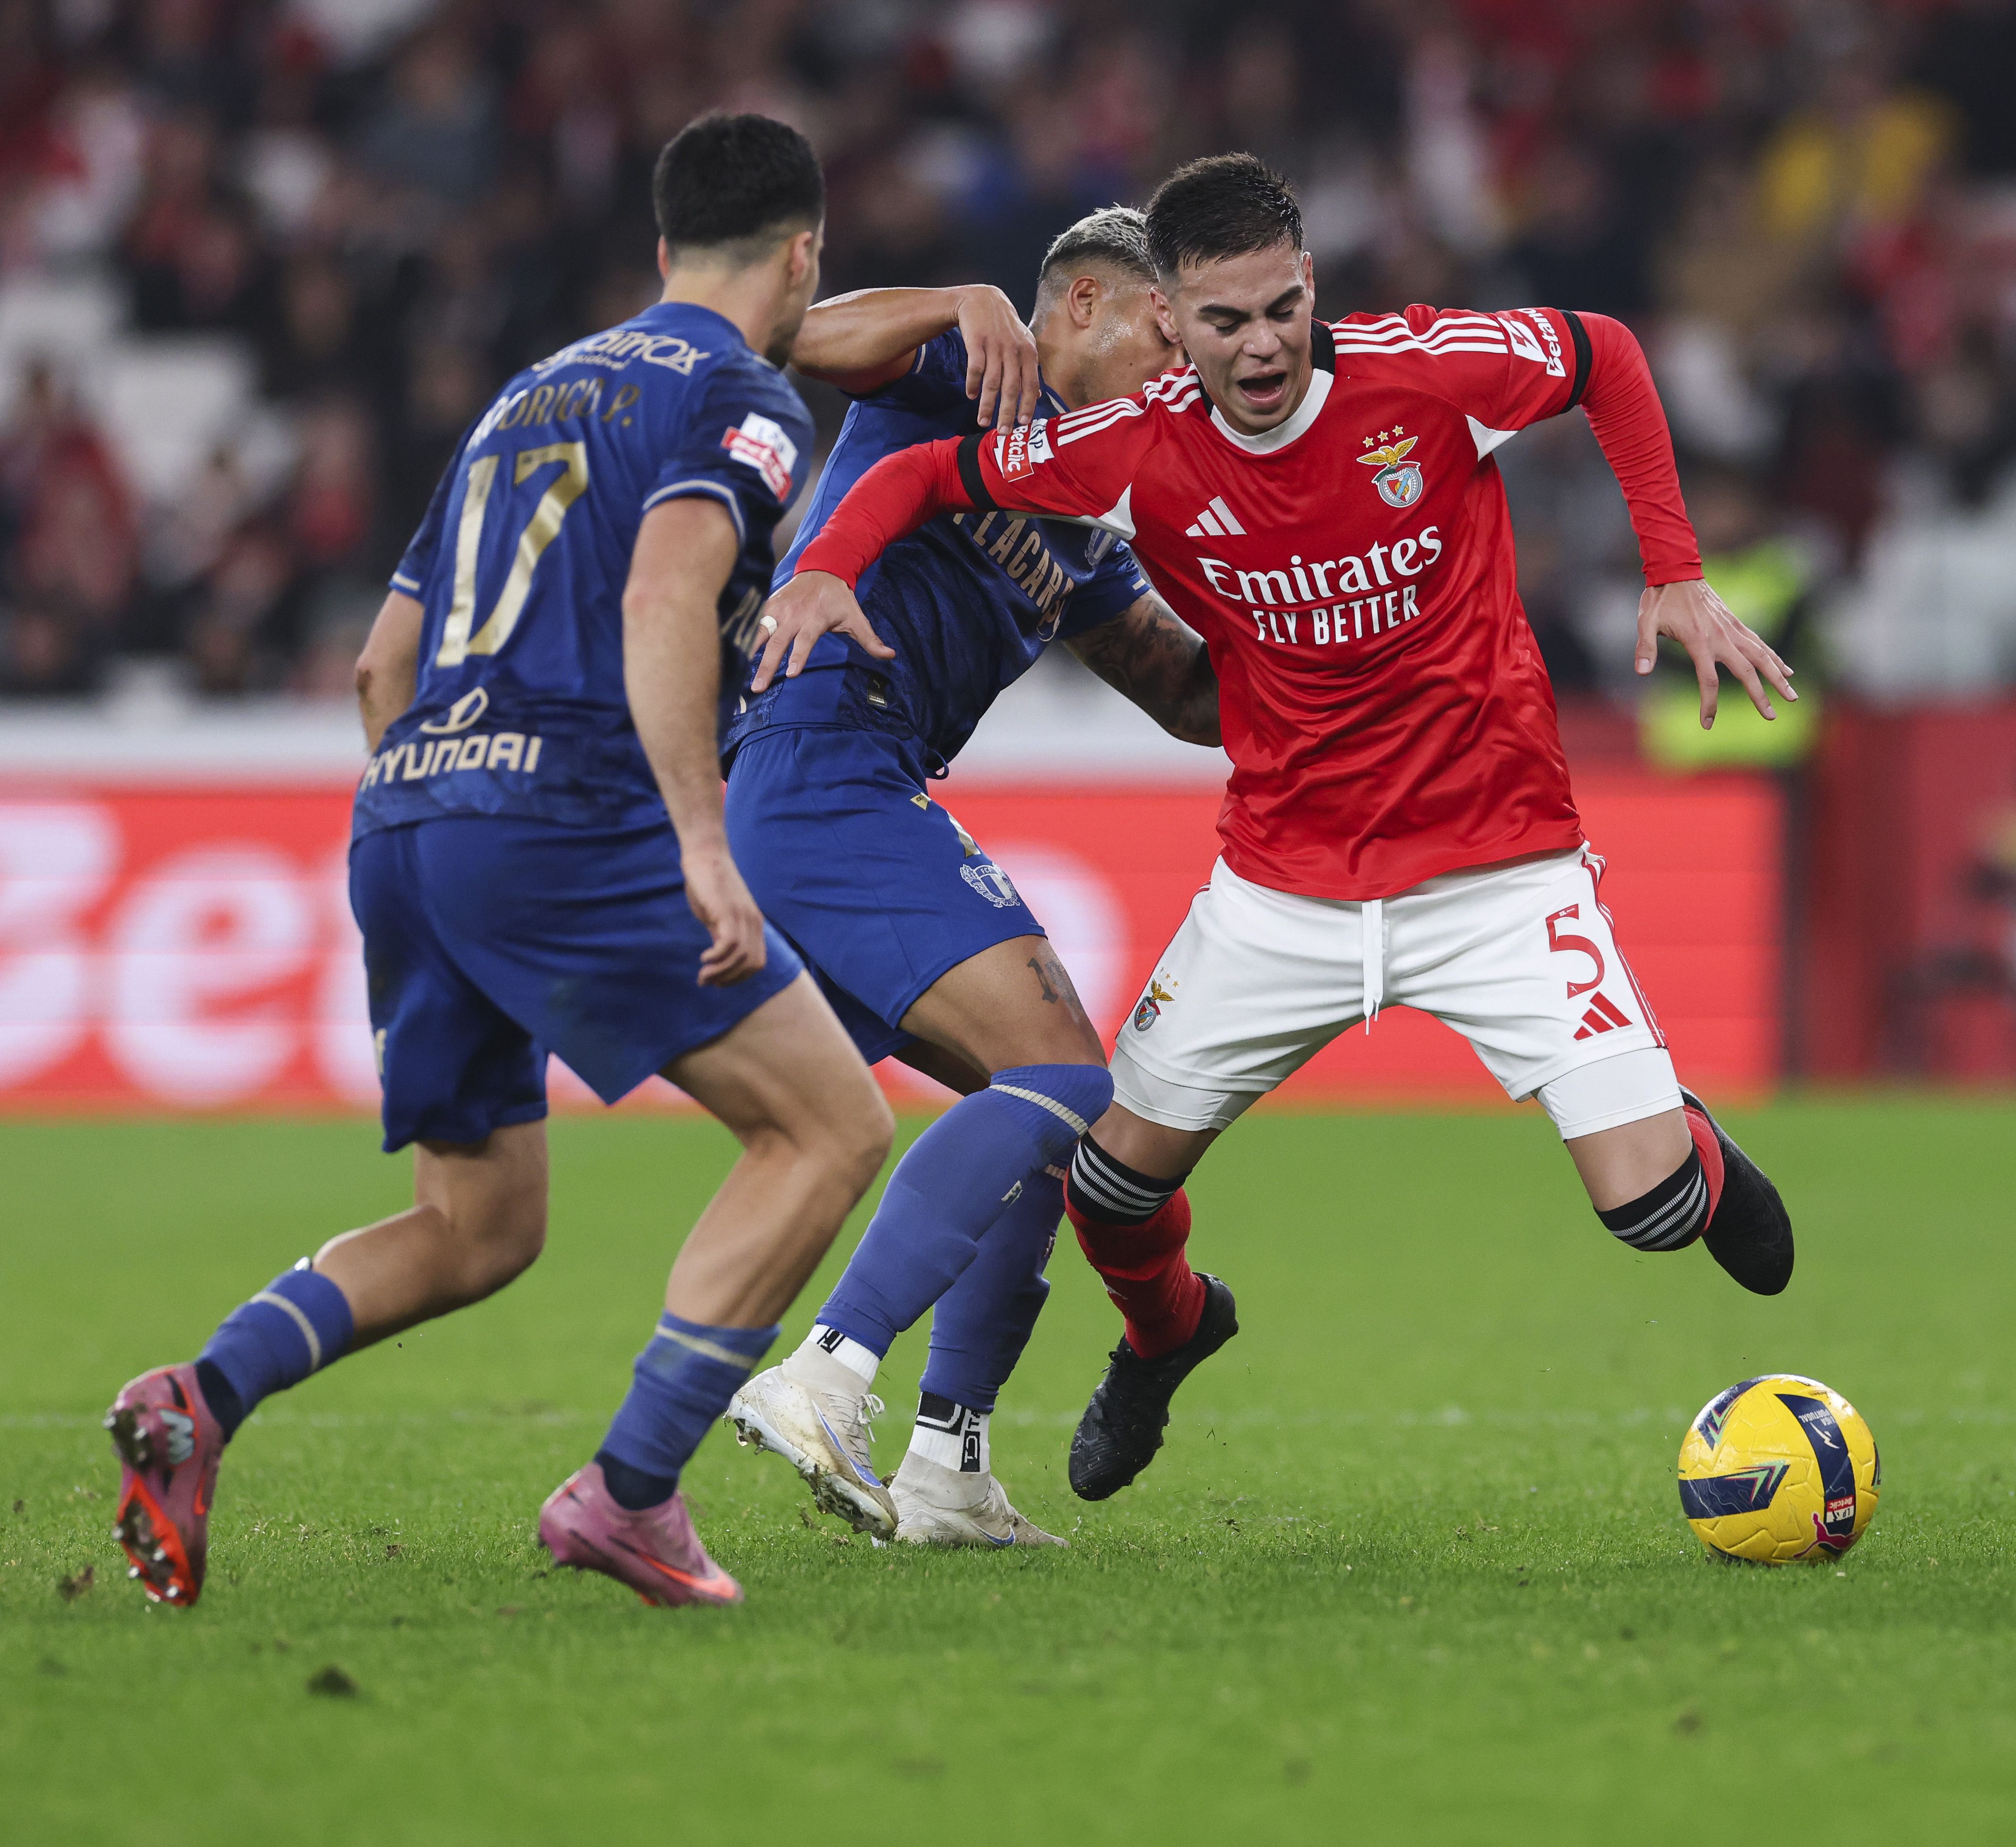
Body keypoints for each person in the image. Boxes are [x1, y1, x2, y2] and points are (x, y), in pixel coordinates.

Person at [751, 153, 1803, 1506]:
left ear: (1311, 286)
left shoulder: (1423, 374)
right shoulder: (1120, 447)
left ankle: (1686, 1143)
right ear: (1174, 326)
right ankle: (1162, 1337)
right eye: (1223, 322)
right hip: (1280, 893)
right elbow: (922, 483)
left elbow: (1601, 351)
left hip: (1494, 866)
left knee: (1653, 1216)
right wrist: (827, 568)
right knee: (1107, 1181)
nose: (1259, 347)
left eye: (1279, 311)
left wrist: (1674, 574)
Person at [101, 113, 896, 1610]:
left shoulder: (524, 395)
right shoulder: (747, 394)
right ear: (803, 258)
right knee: (830, 1130)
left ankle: (200, 1398)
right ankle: (632, 1494)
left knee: (480, 1226)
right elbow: (671, 588)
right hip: (570, 804)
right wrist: (697, 842)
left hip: (406, 810)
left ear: (663, 253)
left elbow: (376, 661)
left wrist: (442, 824)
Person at [719, 207, 1215, 1547]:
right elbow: (782, 334)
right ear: (1091, 302)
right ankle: (827, 1374)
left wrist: (1332, 632)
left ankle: (950, 1468)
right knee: (1064, 1081)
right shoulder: (965, 371)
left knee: (1051, 1123)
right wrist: (955, 300)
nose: (1193, 371)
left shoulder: (1085, 516)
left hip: (851, 788)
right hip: (819, 759)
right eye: (1176, 331)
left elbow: (1181, 695)